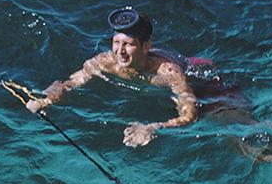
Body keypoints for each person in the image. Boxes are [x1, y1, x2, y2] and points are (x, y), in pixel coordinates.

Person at [26, 8, 203, 148]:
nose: (120, 51)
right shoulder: (106, 62)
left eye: (128, 44)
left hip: (191, 67)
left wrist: (153, 126)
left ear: (146, 46)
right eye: (116, 43)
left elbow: (190, 114)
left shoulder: (168, 73)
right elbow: (73, 82)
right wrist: (48, 99)